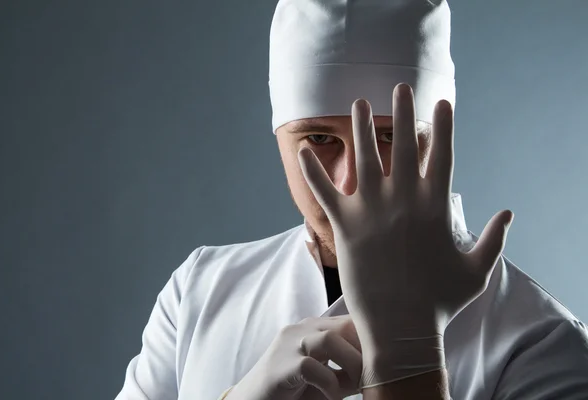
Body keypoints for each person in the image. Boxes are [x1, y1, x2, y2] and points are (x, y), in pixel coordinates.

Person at [115, 1, 588, 399]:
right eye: (320, 137)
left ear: (439, 138)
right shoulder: (199, 292)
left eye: (389, 136)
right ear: (278, 135)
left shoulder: (539, 340)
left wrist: (409, 358)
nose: (349, 183)